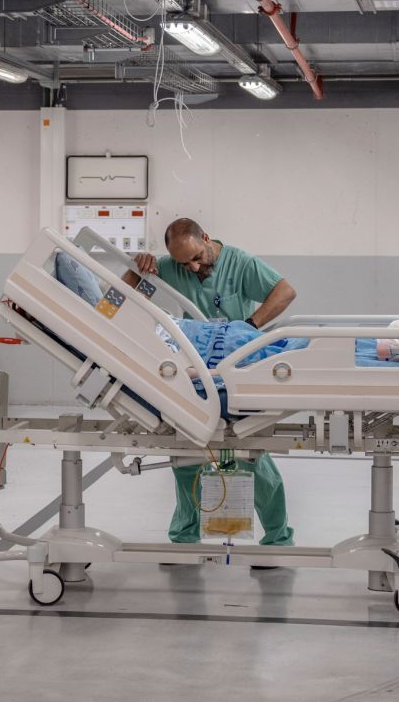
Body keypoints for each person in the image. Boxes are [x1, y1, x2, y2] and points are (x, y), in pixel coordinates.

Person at [131, 218, 297, 552]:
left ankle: (278, 538)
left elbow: (285, 292)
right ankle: (184, 539)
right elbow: (121, 301)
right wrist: (137, 271)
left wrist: (248, 328)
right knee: (188, 456)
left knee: (252, 456)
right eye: (183, 264)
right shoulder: (169, 267)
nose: (193, 268)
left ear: (206, 239)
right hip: (196, 372)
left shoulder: (240, 263)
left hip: (238, 368)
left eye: (197, 258)